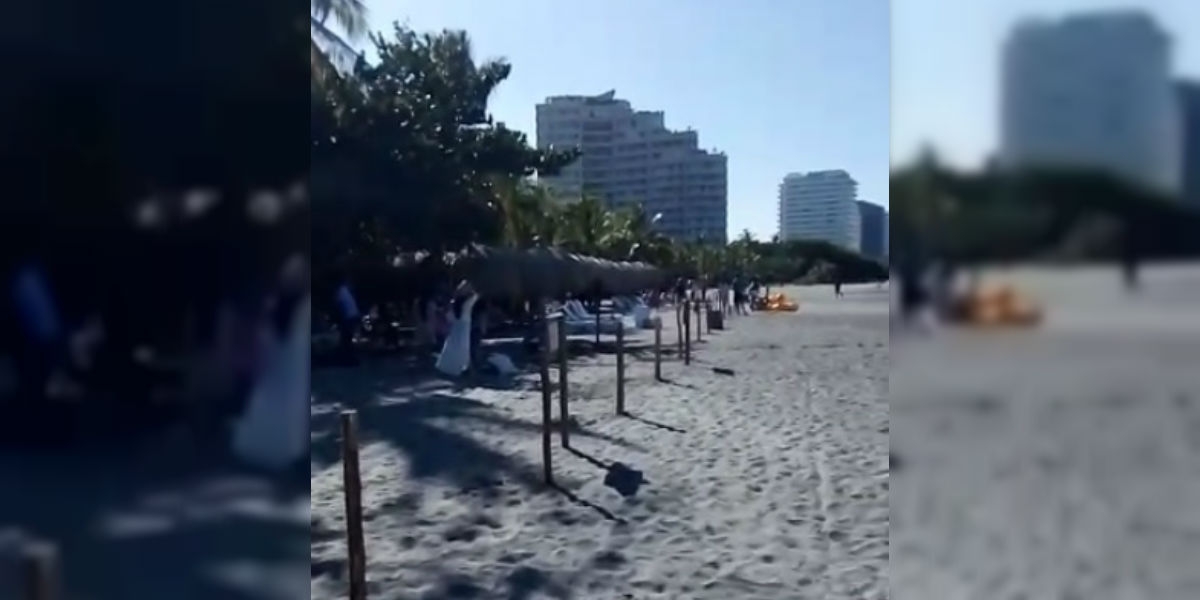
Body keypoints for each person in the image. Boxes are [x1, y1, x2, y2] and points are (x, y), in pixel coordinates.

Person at [332, 274, 361, 364]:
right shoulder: (345, 290)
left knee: (346, 338)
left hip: (349, 317)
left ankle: (349, 359)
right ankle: (351, 358)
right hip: (354, 315)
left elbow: (337, 307)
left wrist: (336, 320)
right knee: (348, 337)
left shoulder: (340, 291)